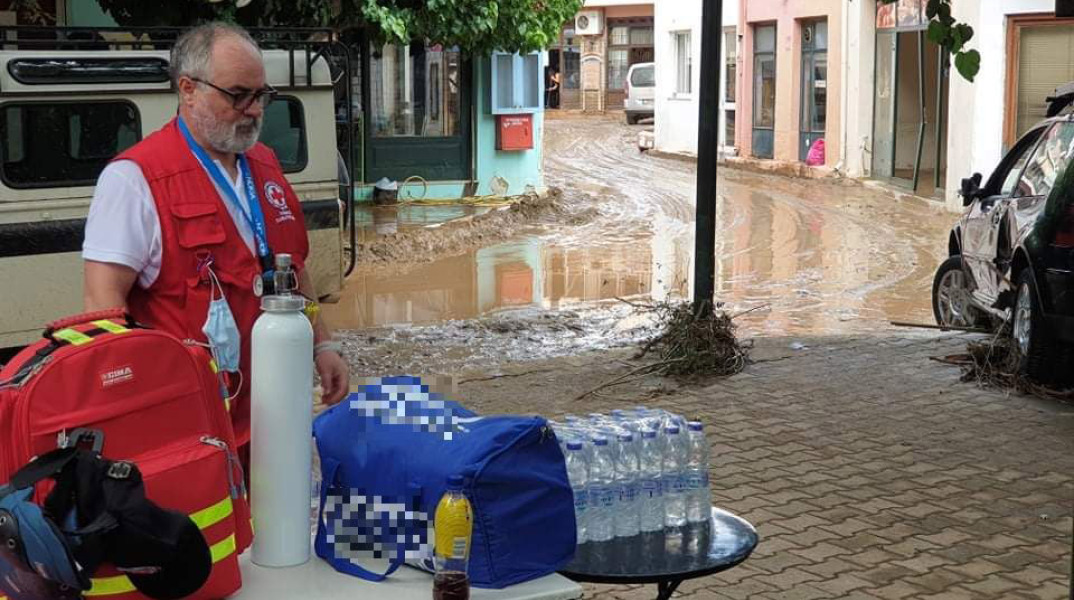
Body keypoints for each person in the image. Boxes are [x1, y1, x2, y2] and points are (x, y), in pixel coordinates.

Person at [82, 23, 350, 450]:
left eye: (261, 95)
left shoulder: (265, 165)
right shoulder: (134, 179)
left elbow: (293, 268)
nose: (254, 110)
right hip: (190, 424)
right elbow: (102, 307)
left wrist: (323, 344)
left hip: (273, 413)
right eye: (238, 95)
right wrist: (135, 409)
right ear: (188, 90)